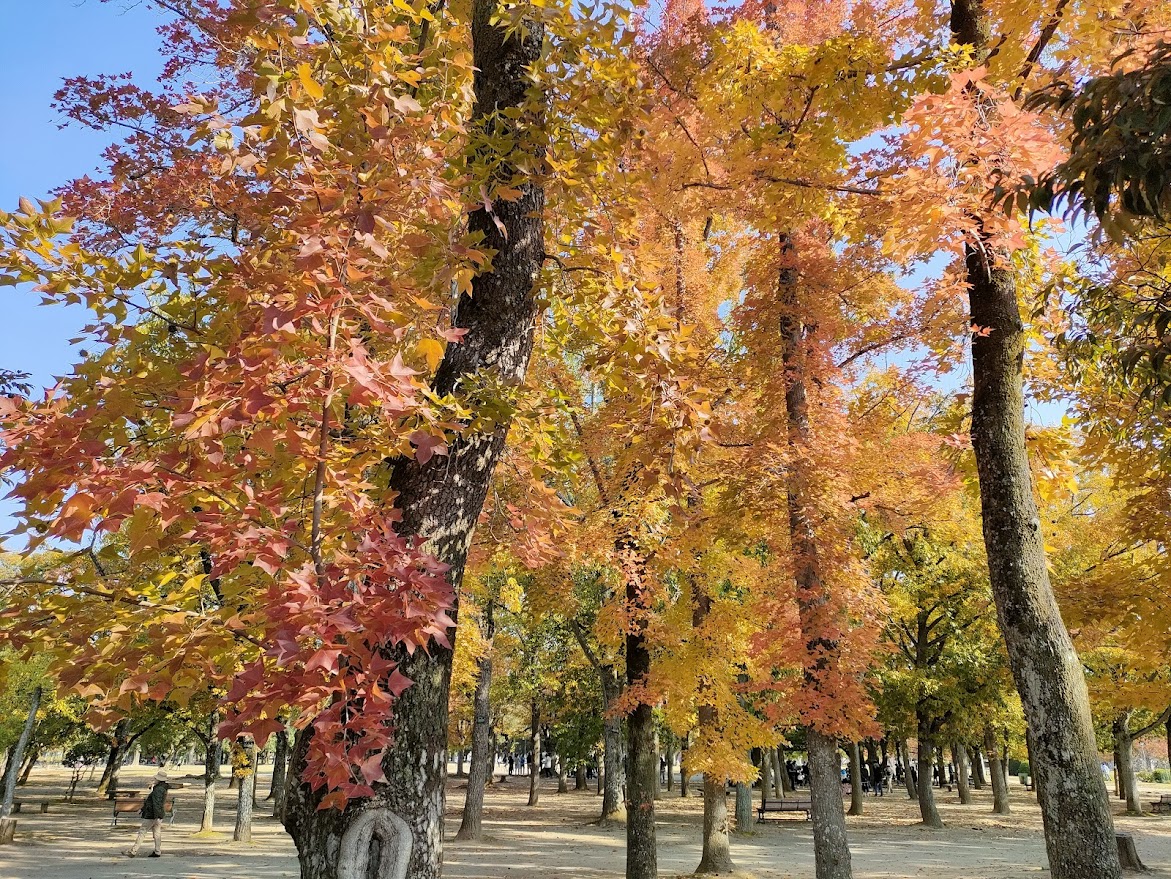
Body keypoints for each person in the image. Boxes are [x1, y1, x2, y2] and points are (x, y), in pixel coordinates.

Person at [126, 769, 177, 858]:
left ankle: (133, 851)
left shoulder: (158, 790)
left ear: (159, 779)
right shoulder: (162, 788)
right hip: (158, 814)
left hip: (152, 814)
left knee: (142, 832)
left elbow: (155, 803)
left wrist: (155, 815)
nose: (155, 779)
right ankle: (157, 851)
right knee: (157, 833)